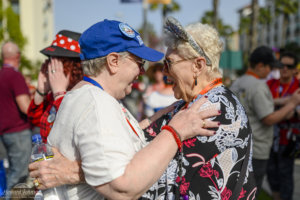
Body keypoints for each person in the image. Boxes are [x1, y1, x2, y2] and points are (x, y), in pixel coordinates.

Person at [30, 17, 258, 200]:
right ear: (112, 62)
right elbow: (136, 144)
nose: (163, 72)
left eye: (169, 63)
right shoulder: (184, 106)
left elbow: (153, 180)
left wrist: (71, 171)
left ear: (198, 65)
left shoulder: (216, 107)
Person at [230, 46, 300, 195]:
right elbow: (268, 118)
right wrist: (292, 105)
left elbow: (257, 104)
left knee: (239, 189)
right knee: (252, 191)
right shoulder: (260, 86)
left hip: (241, 145)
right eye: (271, 67)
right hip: (257, 148)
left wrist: (284, 101)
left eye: (290, 66)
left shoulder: (238, 82)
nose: (272, 71)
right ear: (261, 66)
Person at [27, 30, 83, 143]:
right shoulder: (52, 96)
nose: (50, 68)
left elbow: (71, 128)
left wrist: (59, 93)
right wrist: (41, 91)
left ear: (74, 67)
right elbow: (34, 120)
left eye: (56, 63)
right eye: (50, 61)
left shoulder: (84, 94)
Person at [266, 51, 299, 200]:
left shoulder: (298, 86)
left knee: (286, 176)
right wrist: (290, 103)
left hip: (289, 139)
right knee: (272, 174)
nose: (284, 68)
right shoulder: (269, 84)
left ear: (294, 70)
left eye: (289, 66)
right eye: (281, 65)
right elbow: (262, 106)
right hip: (269, 138)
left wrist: (273, 105)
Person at [0, 42, 32, 197]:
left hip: (4, 132)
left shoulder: (1, 74)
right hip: (18, 132)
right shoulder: (15, 76)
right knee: (18, 176)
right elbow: (25, 107)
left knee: (9, 172)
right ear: (17, 56)